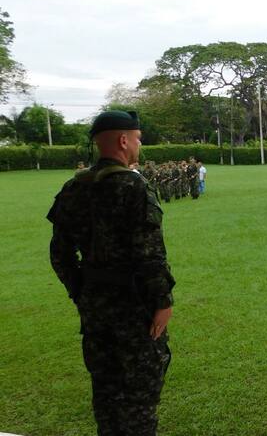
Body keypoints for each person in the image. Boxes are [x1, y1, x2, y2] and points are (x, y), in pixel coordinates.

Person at [47, 110, 175, 435]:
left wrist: (81, 291)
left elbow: (59, 254)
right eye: (138, 139)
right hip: (134, 309)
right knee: (139, 399)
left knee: (105, 394)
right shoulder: (133, 187)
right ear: (123, 140)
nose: (138, 145)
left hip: (95, 309)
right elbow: (149, 255)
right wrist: (162, 301)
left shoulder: (73, 187)